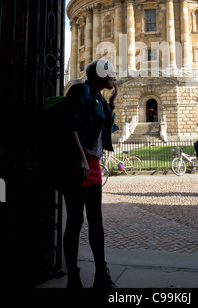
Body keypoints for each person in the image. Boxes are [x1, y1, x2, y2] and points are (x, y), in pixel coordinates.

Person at [63, 58, 118, 290]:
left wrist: (112, 104)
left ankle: (100, 275)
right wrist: (82, 158)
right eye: (110, 72)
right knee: (75, 222)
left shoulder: (100, 98)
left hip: (92, 165)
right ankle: (73, 279)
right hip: (76, 164)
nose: (114, 75)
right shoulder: (80, 90)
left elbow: (107, 131)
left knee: (97, 223)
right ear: (100, 74)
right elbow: (69, 124)